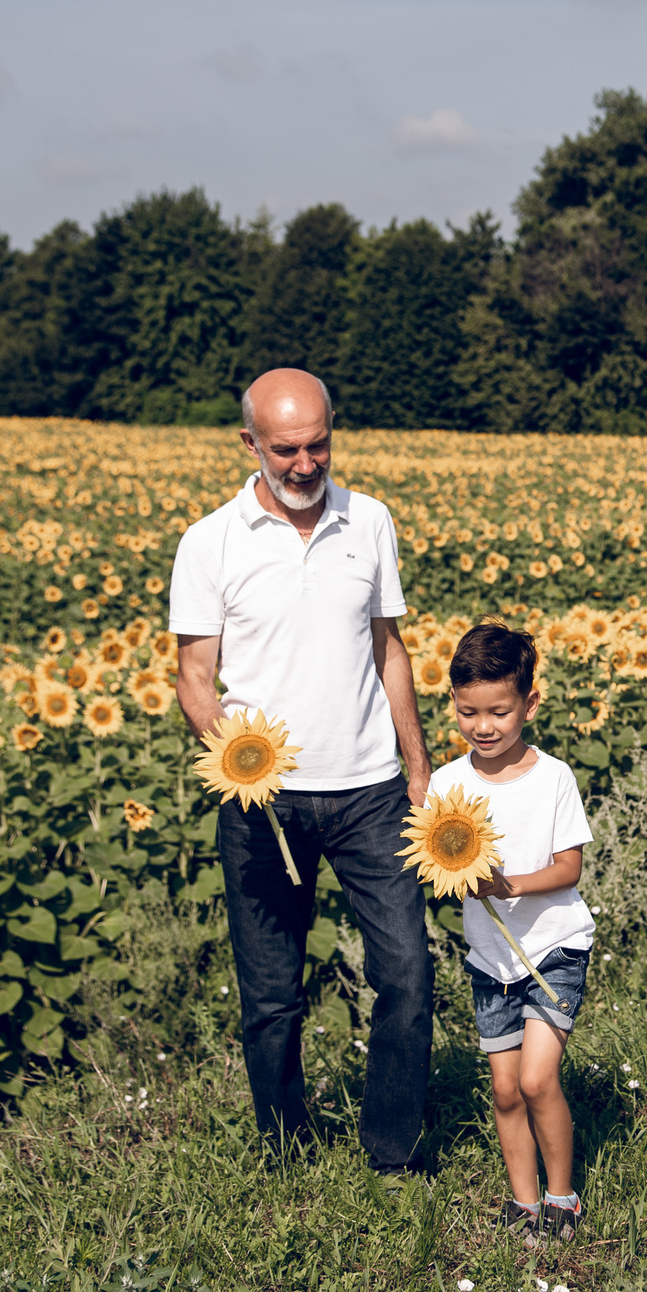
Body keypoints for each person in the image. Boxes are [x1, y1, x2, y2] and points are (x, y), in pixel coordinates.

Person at [170, 368, 435, 1175]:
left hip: (368, 789)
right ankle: (285, 1152)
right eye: (285, 448)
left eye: (319, 443)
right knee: (273, 993)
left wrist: (418, 769)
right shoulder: (209, 540)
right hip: (263, 801)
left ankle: (396, 1152)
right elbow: (193, 677)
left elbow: (390, 648)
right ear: (249, 444)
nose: (305, 462)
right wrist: (237, 761)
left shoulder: (371, 520)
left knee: (407, 972)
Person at [427, 621, 593, 1245]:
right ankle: (525, 1207)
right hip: (491, 956)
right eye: (468, 711)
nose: (483, 725)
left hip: (554, 945)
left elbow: (569, 867)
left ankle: (562, 1197)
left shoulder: (553, 777)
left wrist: (508, 885)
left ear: (530, 703)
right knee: (502, 1090)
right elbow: (435, 858)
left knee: (535, 1079)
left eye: (499, 710)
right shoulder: (447, 784)